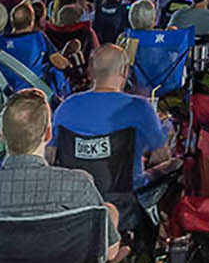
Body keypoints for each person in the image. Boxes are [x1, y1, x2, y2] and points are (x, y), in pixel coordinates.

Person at [0, 89, 121, 263]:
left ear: (1, 134)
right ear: (48, 134)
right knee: (109, 213)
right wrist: (111, 213)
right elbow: (110, 251)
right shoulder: (77, 187)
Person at [51, 45, 174, 199]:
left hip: (76, 199)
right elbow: (161, 156)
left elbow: (51, 155)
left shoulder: (66, 107)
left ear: (90, 71)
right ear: (124, 71)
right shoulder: (139, 107)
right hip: (128, 199)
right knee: (175, 165)